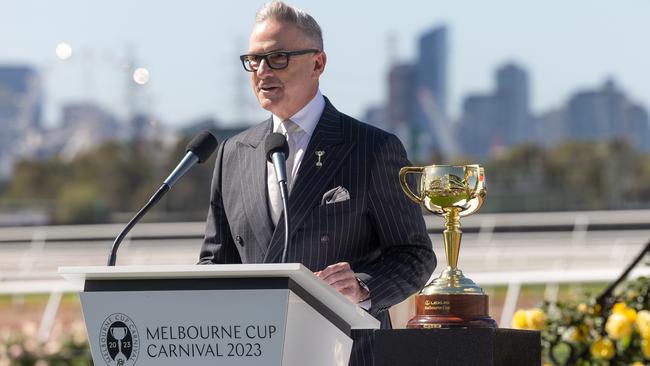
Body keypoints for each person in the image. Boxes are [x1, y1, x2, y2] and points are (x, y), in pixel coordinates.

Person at [198, 2, 435, 365]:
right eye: (253, 60)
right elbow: (215, 263)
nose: (262, 71)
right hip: (257, 353)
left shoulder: (371, 148)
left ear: (318, 63)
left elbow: (415, 255)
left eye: (277, 57)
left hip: (347, 353)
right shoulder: (233, 153)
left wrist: (363, 287)